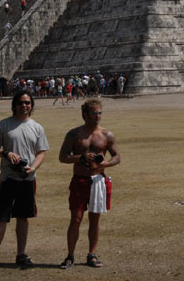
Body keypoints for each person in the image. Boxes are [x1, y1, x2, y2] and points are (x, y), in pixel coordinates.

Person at [0, 91, 49, 271]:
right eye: (20, 102)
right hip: (8, 178)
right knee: (0, 217)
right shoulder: (4, 125)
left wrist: (33, 168)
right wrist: (6, 153)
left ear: (31, 105)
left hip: (28, 178)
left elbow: (41, 152)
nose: (24, 105)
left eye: (27, 102)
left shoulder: (37, 127)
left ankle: (21, 254)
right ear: (14, 105)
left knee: (23, 217)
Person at [58, 99, 121, 269]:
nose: (98, 116)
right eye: (94, 113)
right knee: (76, 218)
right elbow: (62, 157)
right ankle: (70, 255)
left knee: (95, 219)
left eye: (100, 113)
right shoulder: (74, 134)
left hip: (98, 180)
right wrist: (80, 158)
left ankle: (92, 254)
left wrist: (107, 163)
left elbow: (117, 156)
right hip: (79, 180)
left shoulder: (107, 135)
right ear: (85, 114)